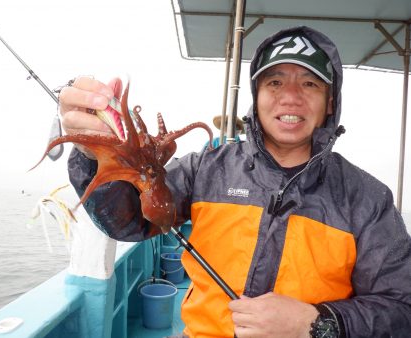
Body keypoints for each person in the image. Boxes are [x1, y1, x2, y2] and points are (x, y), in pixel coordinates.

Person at [59, 26, 411, 337]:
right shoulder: (205, 169)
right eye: (274, 82)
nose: (290, 96)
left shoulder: (368, 199)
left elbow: (402, 308)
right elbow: (129, 221)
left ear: (330, 101)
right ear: (256, 98)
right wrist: (95, 156)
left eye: (309, 83)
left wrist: (317, 323)